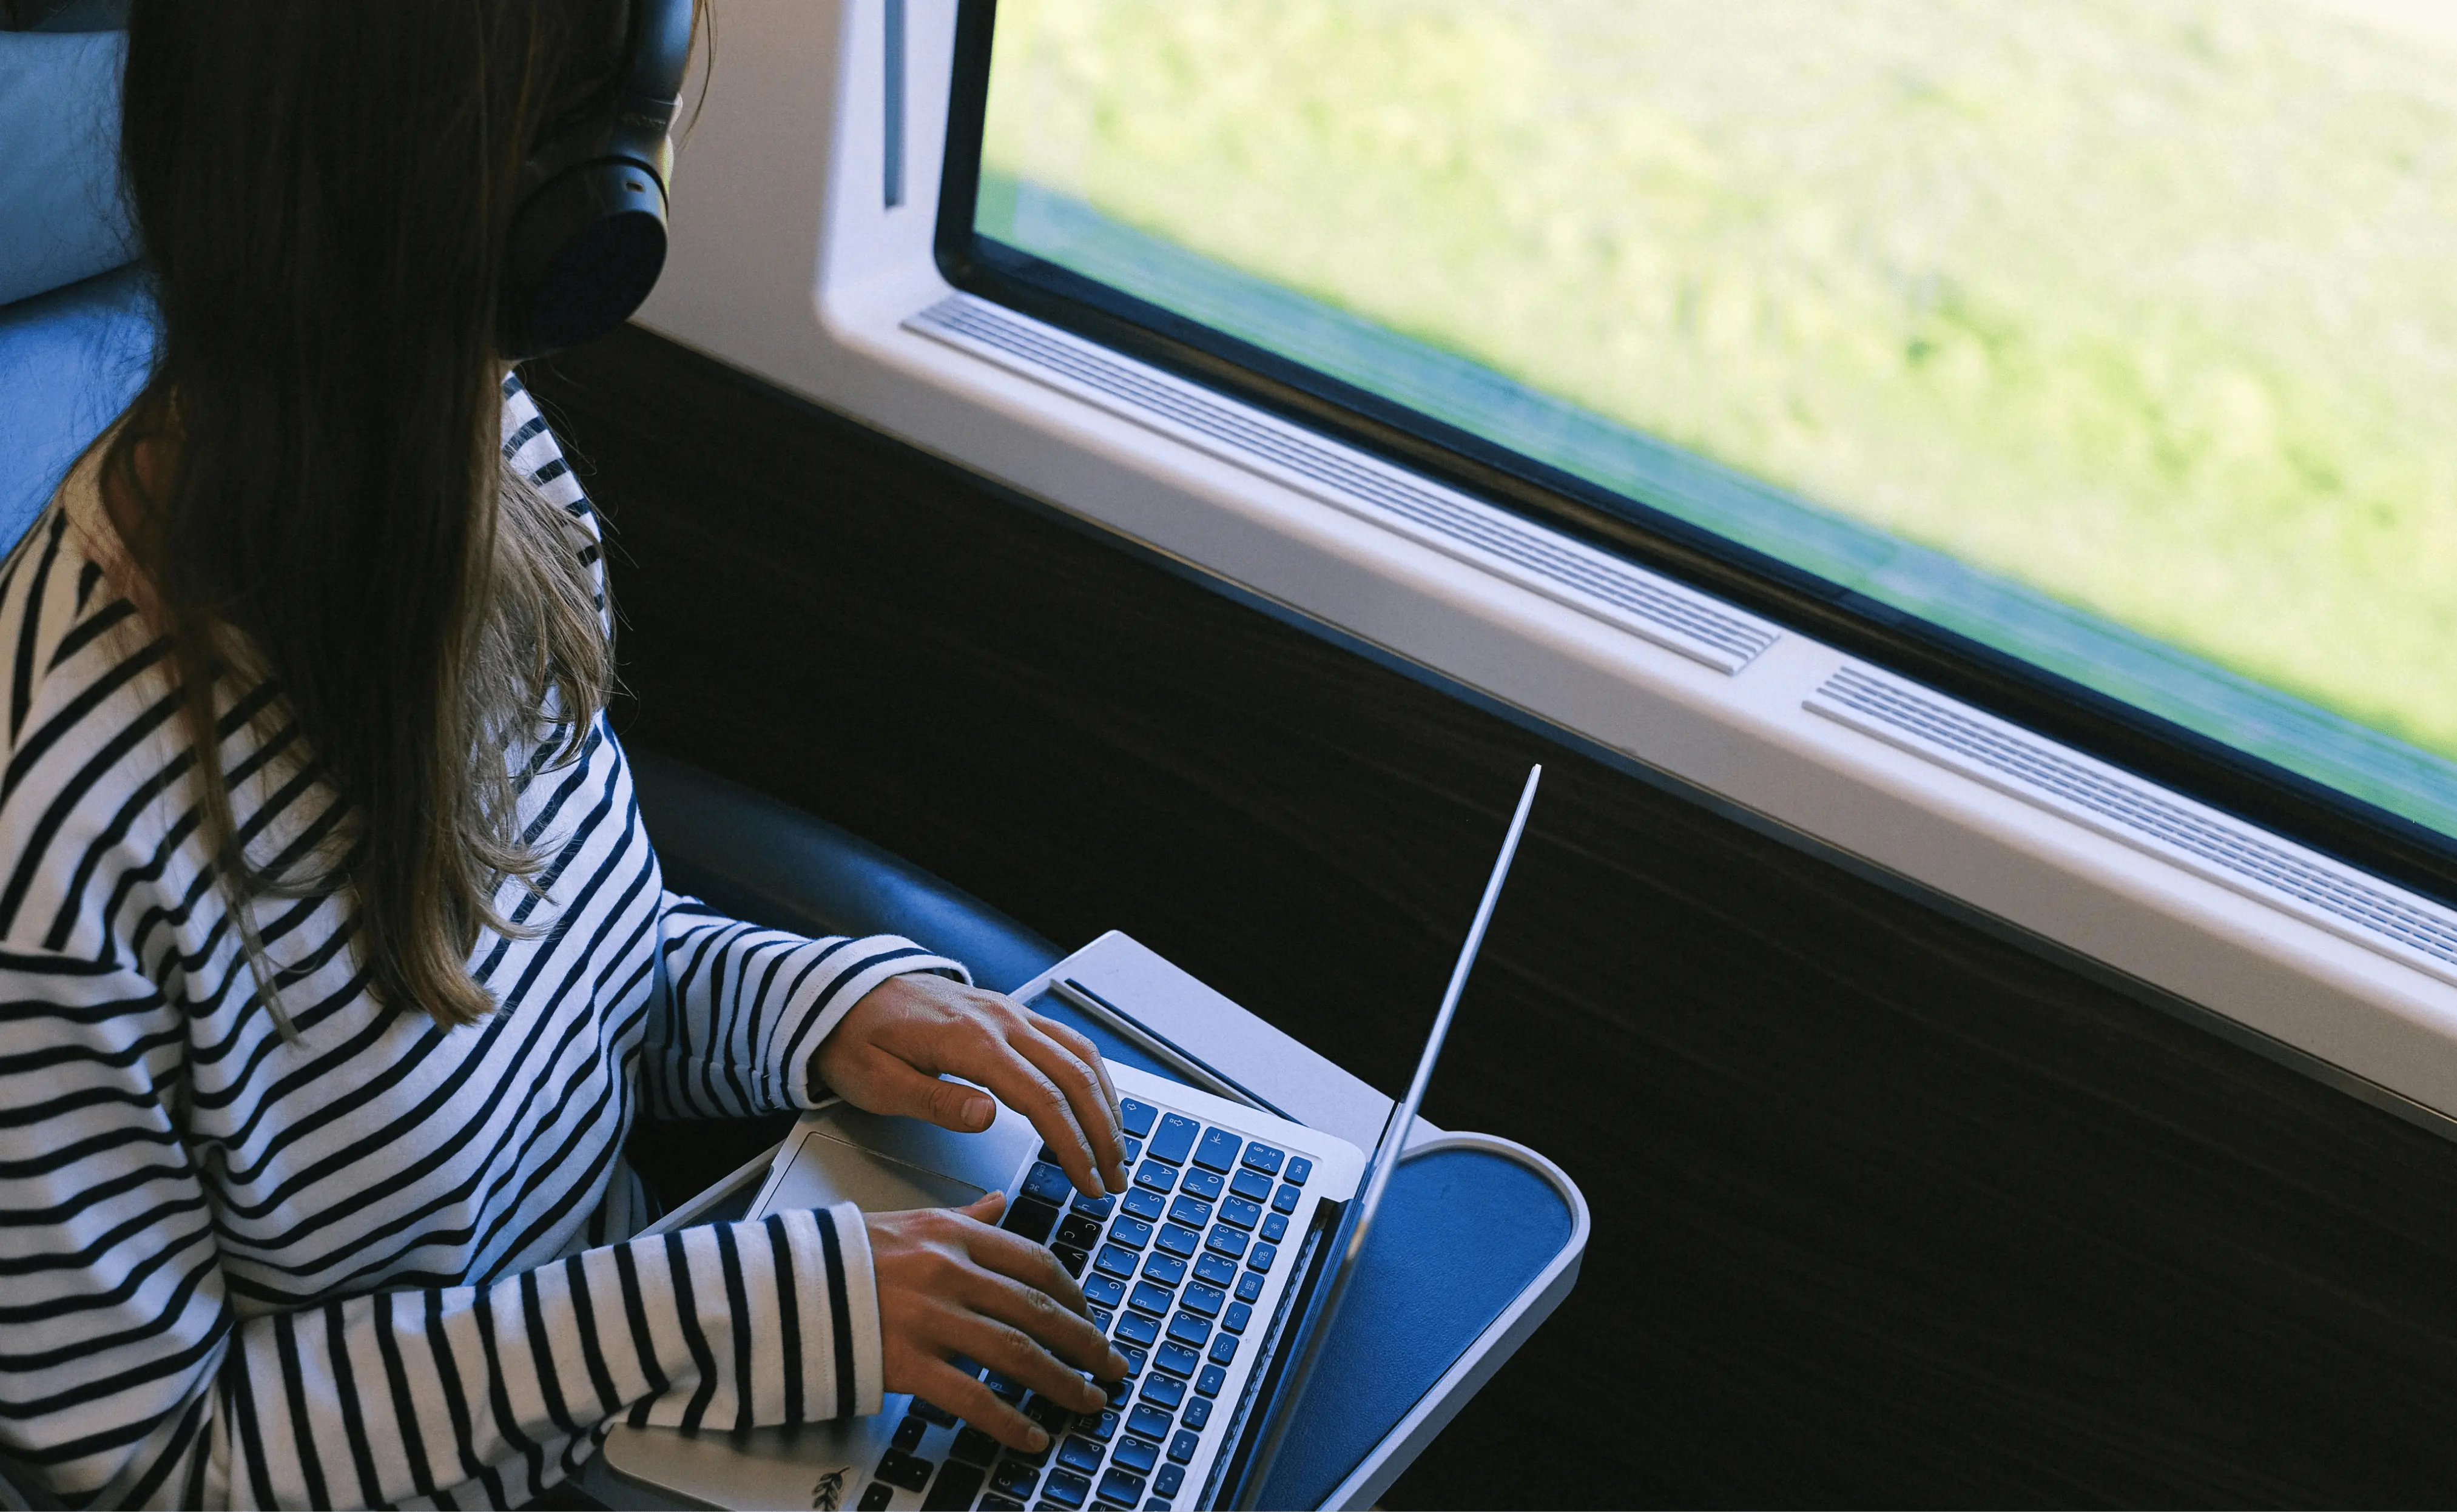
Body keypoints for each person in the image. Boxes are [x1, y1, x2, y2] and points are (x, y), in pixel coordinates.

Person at [0, 4, 1132, 1508]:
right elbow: (154, 1466)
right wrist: (750, 1312)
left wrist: (820, 1005)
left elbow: (568, 984)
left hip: (651, 1392)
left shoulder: (495, 466)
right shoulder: (65, 846)